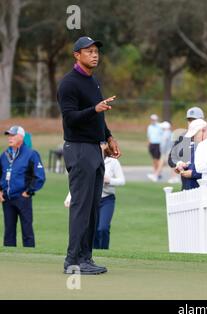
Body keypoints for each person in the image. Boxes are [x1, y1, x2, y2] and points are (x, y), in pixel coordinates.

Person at [57, 36, 121, 275]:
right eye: (89, 51)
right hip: (78, 149)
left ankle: (86, 258)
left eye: (96, 51)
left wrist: (109, 136)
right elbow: (70, 118)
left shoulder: (92, 81)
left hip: (95, 148)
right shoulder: (69, 83)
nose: (95, 55)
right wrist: (95, 108)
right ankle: (72, 262)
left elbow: (98, 116)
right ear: (77, 55)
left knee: (93, 207)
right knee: (81, 207)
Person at [64, 143, 125, 250]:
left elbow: (122, 181)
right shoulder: (87, 160)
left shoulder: (113, 161)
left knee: (103, 228)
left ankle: (104, 251)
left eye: (103, 143)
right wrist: (69, 197)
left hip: (107, 199)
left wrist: (109, 180)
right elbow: (79, 181)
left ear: (107, 146)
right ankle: (93, 252)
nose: (100, 146)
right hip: (90, 198)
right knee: (93, 228)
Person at [0, 126, 46, 247]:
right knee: (8, 232)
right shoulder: (4, 155)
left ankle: (30, 256)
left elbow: (40, 177)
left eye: (13, 135)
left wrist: (28, 192)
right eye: (9, 135)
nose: (10, 138)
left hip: (22, 198)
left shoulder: (31, 154)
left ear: (21, 137)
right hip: (7, 199)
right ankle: (10, 259)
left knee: (27, 230)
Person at [168, 106, 204, 188]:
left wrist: (193, 173)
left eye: (194, 120)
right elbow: (171, 159)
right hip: (186, 186)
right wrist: (179, 164)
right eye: (189, 120)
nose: (191, 123)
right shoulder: (184, 137)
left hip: (203, 186)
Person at [174, 119, 207, 190]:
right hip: (188, 190)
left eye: (194, 135)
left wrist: (193, 174)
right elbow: (188, 163)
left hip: (201, 192)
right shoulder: (193, 146)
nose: (192, 138)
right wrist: (181, 166)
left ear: (203, 131)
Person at [147, 114, 164, 182]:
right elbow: (149, 136)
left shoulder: (160, 126)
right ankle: (156, 172)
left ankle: (157, 173)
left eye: (154, 120)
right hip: (152, 144)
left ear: (156, 120)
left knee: (157, 159)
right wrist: (148, 144)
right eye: (152, 119)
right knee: (154, 159)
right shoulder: (149, 127)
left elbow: (163, 135)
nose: (152, 121)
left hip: (158, 144)